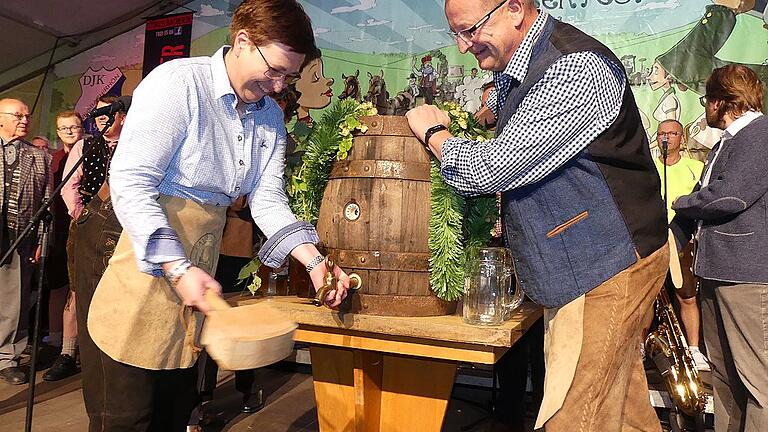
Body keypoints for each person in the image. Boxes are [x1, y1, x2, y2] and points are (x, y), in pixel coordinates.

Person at [79, 1, 350, 430]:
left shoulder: (268, 120)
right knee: (126, 411)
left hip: (198, 252)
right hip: (127, 238)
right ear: (243, 41)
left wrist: (314, 262)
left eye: (288, 77)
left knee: (174, 398)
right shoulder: (178, 84)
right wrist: (175, 264)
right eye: (275, 70)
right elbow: (132, 181)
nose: (279, 86)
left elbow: (266, 199)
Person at [405, 1, 668, 430]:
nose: (463, 45)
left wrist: (436, 134)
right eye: (456, 33)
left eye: (470, 30)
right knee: (620, 407)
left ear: (513, 8)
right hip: (588, 262)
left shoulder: (575, 66)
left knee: (574, 415)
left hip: (603, 264)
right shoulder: (519, 70)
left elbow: (490, 168)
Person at [671, 64, 768, 432]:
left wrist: (680, 202)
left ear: (720, 101)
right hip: (716, 270)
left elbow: (729, 197)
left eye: (705, 99)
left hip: (746, 276)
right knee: (725, 378)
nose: (705, 107)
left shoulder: (759, 135)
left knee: (758, 382)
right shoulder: (728, 140)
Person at [0, 98, 52, 385]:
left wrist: (42, 241)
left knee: (14, 300)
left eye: (27, 116)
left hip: (20, 233)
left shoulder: (39, 156)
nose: (24, 120)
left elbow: (46, 204)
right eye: (17, 115)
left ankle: (8, 357)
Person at [653, 119, 709, 371]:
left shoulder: (695, 167)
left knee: (686, 294)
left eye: (672, 133)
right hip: (651, 240)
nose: (666, 138)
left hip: (682, 238)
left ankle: (694, 349)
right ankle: (642, 347)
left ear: (682, 138)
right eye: (661, 133)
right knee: (647, 298)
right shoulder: (648, 168)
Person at [42, 110, 84, 381]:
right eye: (64, 128)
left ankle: (73, 347)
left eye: (74, 126)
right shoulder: (52, 159)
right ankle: (56, 340)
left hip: (79, 226)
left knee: (76, 288)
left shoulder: (91, 151)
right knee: (58, 285)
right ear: (57, 132)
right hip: (56, 227)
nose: (69, 131)